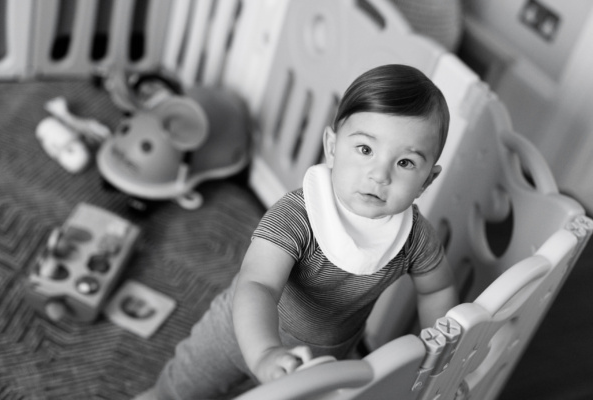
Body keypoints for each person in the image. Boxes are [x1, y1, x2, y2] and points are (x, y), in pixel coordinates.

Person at [134, 64, 458, 400]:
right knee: (176, 393)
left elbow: (438, 288)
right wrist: (264, 354)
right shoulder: (299, 214)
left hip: (319, 361)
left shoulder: (414, 236)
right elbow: (257, 284)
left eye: (405, 163)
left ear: (427, 180)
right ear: (332, 146)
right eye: (365, 150)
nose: (379, 175)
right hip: (236, 335)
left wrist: (441, 350)